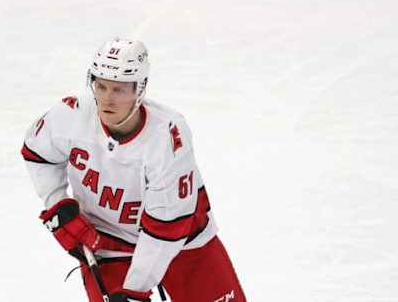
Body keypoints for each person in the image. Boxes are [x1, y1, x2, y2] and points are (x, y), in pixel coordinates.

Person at [21, 37, 247, 302]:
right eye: (101, 86)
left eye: (119, 90)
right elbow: (37, 153)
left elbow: (167, 229)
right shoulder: (71, 114)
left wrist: (136, 289)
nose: (106, 99)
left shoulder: (166, 139)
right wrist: (57, 203)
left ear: (140, 90)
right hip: (106, 246)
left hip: (184, 243)